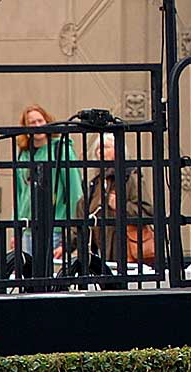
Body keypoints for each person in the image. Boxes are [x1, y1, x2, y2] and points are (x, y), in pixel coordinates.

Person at [73, 133, 154, 264]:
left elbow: (147, 210)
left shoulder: (130, 178)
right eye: (98, 149)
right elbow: (82, 216)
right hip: (100, 254)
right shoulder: (96, 183)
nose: (100, 152)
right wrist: (67, 245)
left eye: (105, 147)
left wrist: (121, 206)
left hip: (125, 252)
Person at [15, 104, 82, 259]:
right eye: (32, 122)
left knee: (50, 277)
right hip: (28, 228)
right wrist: (17, 228)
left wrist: (70, 233)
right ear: (25, 127)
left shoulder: (60, 149)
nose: (37, 125)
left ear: (47, 121)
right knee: (30, 278)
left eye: (40, 120)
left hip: (55, 227)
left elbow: (74, 191)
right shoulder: (23, 154)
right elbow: (19, 194)